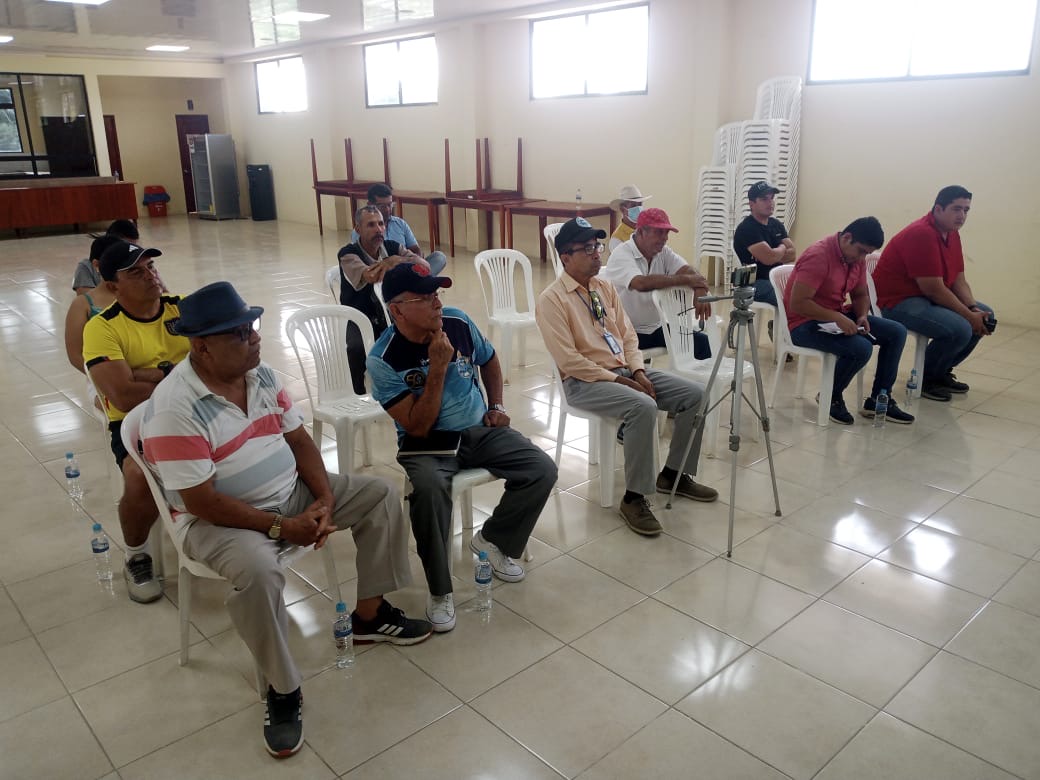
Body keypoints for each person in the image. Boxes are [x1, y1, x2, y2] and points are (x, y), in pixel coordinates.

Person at [140, 281, 430, 759]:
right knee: (259, 571)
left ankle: (370, 615)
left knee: (379, 495)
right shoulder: (175, 408)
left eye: (252, 326)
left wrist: (324, 500)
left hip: (290, 492)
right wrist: (281, 528)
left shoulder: (263, 377)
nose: (254, 337)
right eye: (239, 333)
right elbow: (202, 501)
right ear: (202, 347)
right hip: (218, 522)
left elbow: (300, 442)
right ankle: (282, 686)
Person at [367, 262, 557, 633]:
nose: (437, 303)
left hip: (478, 429)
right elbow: (418, 427)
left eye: (437, 294)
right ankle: (440, 590)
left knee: (541, 469)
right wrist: (438, 367)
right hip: (427, 445)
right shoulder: (382, 359)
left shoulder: (457, 322)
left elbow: (490, 359)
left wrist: (496, 405)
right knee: (428, 491)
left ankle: (493, 540)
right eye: (425, 298)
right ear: (397, 310)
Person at [536, 217, 718, 538]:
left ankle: (674, 475)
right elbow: (569, 360)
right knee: (642, 406)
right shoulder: (552, 300)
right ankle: (634, 497)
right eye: (587, 249)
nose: (597, 254)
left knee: (695, 395)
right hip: (583, 382)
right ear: (565, 257)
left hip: (623, 369)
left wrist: (637, 371)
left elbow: (628, 336)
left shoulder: (603, 287)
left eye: (597, 246)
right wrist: (621, 381)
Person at [83, 241, 188, 603]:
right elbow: (124, 396)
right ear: (113, 286)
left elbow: (219, 363)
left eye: (151, 267)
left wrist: (149, 373)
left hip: (192, 411)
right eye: (136, 272)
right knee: (138, 476)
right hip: (135, 422)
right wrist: (179, 374)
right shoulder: (102, 328)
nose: (150, 276)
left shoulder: (182, 308)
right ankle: (136, 555)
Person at [784, 217, 915, 425]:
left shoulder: (855, 258)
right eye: (861, 251)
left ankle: (880, 399)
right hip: (804, 323)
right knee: (861, 348)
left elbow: (861, 294)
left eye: (867, 253)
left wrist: (861, 315)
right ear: (847, 238)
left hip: (834, 315)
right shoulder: (818, 256)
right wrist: (836, 317)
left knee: (896, 332)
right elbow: (798, 304)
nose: (862, 258)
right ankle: (831, 396)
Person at [872, 185, 994, 402]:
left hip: (924, 297)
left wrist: (973, 308)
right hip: (896, 302)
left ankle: (941, 371)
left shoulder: (952, 234)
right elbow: (934, 290)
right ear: (938, 209)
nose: (962, 215)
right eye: (956, 209)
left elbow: (959, 280)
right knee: (960, 328)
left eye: (966, 210)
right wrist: (969, 316)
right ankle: (926, 379)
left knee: (985, 315)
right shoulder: (922, 234)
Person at [339, 205, 428, 395]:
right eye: (371, 225)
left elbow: (425, 265)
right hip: (361, 315)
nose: (378, 229)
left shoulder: (392, 248)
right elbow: (371, 276)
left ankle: (414, 386)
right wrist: (393, 263)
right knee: (356, 347)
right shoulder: (348, 254)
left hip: (392, 312)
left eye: (381, 224)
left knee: (422, 331)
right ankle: (357, 393)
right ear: (358, 229)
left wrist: (397, 260)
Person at [602, 207, 712, 356]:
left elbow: (689, 271)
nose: (665, 238)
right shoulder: (621, 254)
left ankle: (702, 374)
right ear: (641, 232)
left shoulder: (663, 251)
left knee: (703, 343)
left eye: (666, 233)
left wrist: (700, 289)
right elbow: (641, 283)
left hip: (655, 328)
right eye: (659, 232)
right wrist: (688, 280)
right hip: (624, 332)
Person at [351, 183, 447, 275]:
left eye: (390, 204)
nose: (387, 209)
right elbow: (364, 263)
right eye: (382, 206)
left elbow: (416, 250)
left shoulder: (400, 224)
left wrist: (406, 261)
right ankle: (421, 281)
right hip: (382, 275)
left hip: (407, 270)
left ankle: (418, 280)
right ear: (370, 204)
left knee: (439, 257)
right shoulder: (361, 231)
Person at [732, 181, 796, 311]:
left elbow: (792, 254)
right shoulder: (747, 228)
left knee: (806, 292)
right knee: (792, 299)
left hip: (776, 279)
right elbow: (769, 258)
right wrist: (782, 247)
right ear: (752, 204)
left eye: (771, 198)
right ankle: (789, 324)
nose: (770, 202)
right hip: (753, 283)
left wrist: (775, 253)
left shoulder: (776, 224)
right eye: (764, 199)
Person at [65, 234, 122, 374]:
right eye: (117, 261)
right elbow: (76, 355)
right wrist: (104, 377)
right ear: (96, 265)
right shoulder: (83, 305)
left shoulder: (140, 296)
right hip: (105, 377)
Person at [73, 219, 140, 294]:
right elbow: (85, 297)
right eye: (124, 247)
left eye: (134, 247)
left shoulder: (136, 264)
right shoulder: (87, 266)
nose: (130, 252)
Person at [607, 184, 652, 252]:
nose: (638, 208)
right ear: (622, 209)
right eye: (633, 205)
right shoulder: (617, 239)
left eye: (640, 204)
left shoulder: (648, 229)